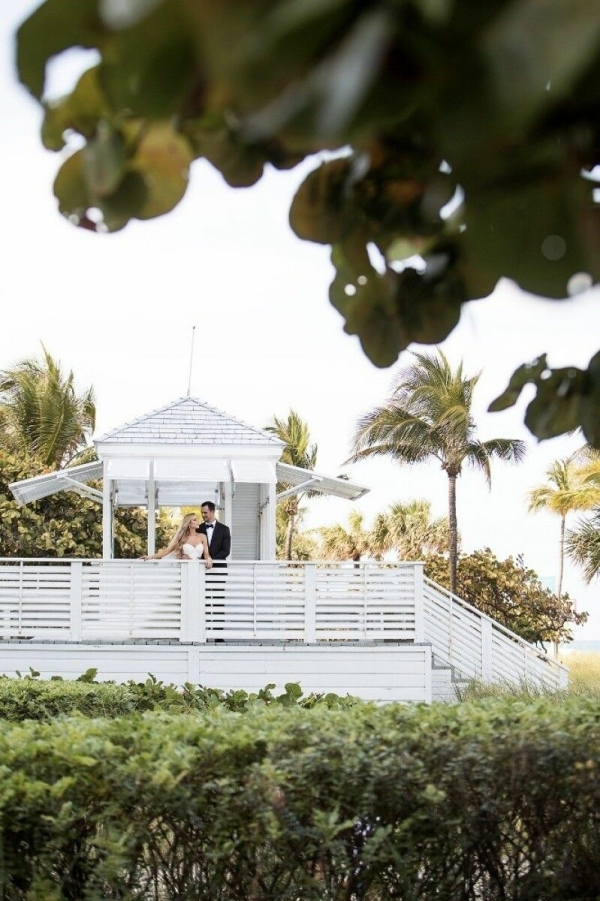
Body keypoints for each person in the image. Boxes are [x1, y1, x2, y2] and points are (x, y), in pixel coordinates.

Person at [197, 502, 231, 637]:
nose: (203, 515)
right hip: (201, 570)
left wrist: (211, 559)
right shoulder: (198, 528)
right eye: (202, 513)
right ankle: (202, 632)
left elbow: (225, 551)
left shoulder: (224, 529)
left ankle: (218, 634)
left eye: (205, 512)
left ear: (212, 512)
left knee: (218, 601)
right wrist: (205, 561)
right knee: (202, 600)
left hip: (219, 570)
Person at [143, 512, 213, 566]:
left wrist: (209, 559)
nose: (198, 521)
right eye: (195, 520)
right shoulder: (182, 538)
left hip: (198, 567)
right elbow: (167, 551)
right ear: (189, 524)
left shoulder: (202, 536)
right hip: (184, 568)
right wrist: (151, 557)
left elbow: (206, 554)